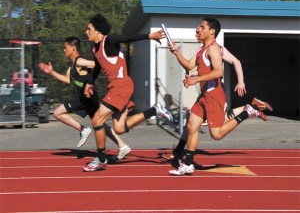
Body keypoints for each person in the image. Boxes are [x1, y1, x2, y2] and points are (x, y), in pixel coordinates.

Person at [167, 18, 272, 175]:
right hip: (204, 96)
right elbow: (189, 66)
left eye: (202, 27)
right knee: (191, 127)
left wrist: (195, 79)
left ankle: (247, 112)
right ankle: (188, 164)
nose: (198, 29)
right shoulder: (202, 50)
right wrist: (176, 52)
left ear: (212, 31)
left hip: (214, 95)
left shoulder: (214, 49)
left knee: (216, 134)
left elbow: (219, 72)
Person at [82, 14, 173, 172]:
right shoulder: (94, 48)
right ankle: (155, 110)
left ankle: (101, 158)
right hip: (117, 87)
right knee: (119, 128)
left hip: (121, 86)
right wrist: (90, 82)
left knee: (97, 119)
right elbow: (97, 66)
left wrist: (149, 36)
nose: (86, 31)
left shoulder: (109, 40)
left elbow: (128, 38)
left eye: (89, 29)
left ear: (98, 31)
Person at [38, 37, 132, 160]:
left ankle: (83, 129)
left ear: (73, 48)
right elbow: (67, 80)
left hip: (85, 99)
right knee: (99, 123)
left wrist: (101, 65)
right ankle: (122, 145)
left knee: (58, 112)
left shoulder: (80, 61)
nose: (64, 50)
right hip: (87, 99)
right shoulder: (71, 66)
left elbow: (95, 63)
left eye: (65, 48)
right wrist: (51, 72)